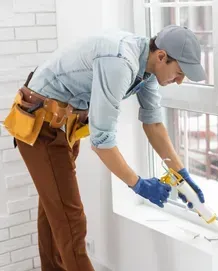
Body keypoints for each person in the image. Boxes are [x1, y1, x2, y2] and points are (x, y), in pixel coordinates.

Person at [3, 25, 206, 271]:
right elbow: (102, 142)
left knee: (55, 212)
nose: (180, 81)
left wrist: (181, 175)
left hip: (64, 123)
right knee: (71, 221)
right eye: (180, 72)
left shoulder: (148, 70)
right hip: (42, 125)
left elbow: (153, 124)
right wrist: (138, 184)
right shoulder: (120, 62)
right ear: (162, 56)